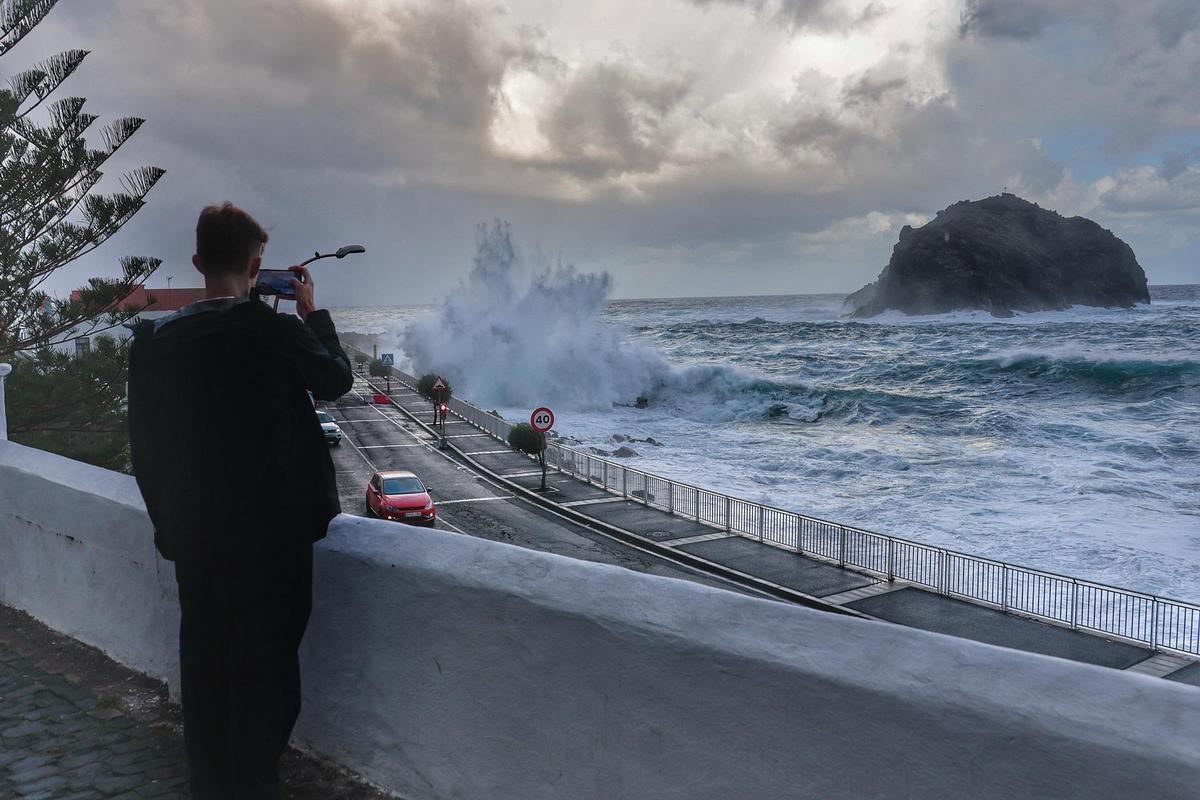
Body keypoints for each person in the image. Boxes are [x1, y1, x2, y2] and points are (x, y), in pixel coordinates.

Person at [127, 203, 353, 799]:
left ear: (198, 261)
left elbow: (144, 444)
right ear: (258, 267)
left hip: (199, 534)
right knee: (269, 665)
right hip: (275, 537)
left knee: (205, 663)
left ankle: (211, 782)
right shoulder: (273, 329)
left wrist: (168, 525)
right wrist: (313, 313)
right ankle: (254, 780)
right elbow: (335, 380)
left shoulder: (156, 341)